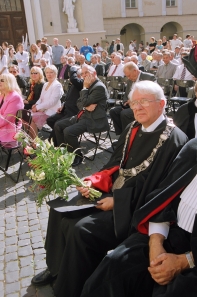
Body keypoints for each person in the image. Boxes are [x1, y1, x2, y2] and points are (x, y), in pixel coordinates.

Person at [31, 80, 187, 297]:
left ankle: (71, 287)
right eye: (134, 103)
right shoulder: (133, 127)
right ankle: (56, 267)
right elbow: (115, 163)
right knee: (61, 210)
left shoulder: (174, 139)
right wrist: (93, 181)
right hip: (112, 192)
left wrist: (118, 201)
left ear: (161, 104)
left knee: (81, 230)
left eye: (144, 102)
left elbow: (160, 190)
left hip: (134, 208)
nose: (137, 107)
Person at [81, 138, 197, 297]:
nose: (136, 110)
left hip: (191, 257)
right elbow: (163, 196)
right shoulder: (193, 148)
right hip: (168, 229)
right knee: (110, 270)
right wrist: (156, 241)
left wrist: (185, 261)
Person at [53, 64, 109, 166]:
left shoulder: (99, 87)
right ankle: (64, 151)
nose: (83, 75)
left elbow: (83, 102)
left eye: (86, 72)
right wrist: (85, 105)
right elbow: (79, 103)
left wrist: (84, 90)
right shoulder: (88, 85)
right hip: (83, 115)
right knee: (58, 125)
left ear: (94, 73)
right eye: (82, 73)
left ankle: (77, 156)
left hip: (93, 119)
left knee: (68, 131)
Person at [109, 61, 155, 135]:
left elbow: (151, 95)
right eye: (127, 76)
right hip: (130, 105)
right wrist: (125, 103)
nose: (128, 78)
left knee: (124, 114)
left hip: (142, 106)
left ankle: (128, 136)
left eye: (129, 75)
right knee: (113, 111)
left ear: (135, 71)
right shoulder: (130, 80)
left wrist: (134, 101)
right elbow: (126, 94)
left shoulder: (149, 78)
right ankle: (121, 135)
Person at [47, 66, 83, 146]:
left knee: (58, 124)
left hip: (73, 113)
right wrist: (63, 105)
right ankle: (61, 136)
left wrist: (73, 68)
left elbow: (74, 79)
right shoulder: (74, 84)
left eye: (71, 75)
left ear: (78, 76)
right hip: (65, 110)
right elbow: (68, 98)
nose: (70, 78)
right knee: (50, 120)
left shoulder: (82, 83)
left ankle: (57, 145)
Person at [30, 65, 64, 137]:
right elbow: (41, 98)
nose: (49, 74)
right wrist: (36, 104)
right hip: (42, 109)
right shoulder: (45, 84)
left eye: (51, 72)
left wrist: (38, 107)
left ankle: (35, 142)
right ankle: (30, 138)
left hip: (51, 111)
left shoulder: (57, 85)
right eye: (47, 72)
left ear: (55, 74)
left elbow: (52, 102)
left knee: (31, 118)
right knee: (26, 116)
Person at [0, 73, 24, 142]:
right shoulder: (2, 95)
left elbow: (5, 120)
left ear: (9, 82)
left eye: (2, 80)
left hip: (8, 130)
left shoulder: (15, 97)